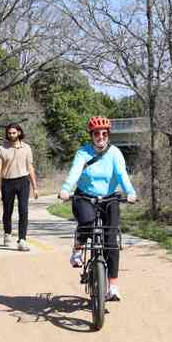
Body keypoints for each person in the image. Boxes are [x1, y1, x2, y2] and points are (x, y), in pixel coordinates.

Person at [59, 116, 137, 301]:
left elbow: (121, 174)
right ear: (91, 135)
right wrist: (65, 190)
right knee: (87, 221)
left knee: (111, 241)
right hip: (84, 195)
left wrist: (130, 192)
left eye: (104, 133)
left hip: (109, 198)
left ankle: (113, 286)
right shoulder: (83, 153)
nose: (100, 137)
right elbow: (75, 172)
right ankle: (78, 250)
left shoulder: (115, 153)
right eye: (96, 133)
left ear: (108, 135)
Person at [0, 123, 39, 252]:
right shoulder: (2, 149)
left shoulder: (27, 148)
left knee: (23, 210)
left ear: (19, 132)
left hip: (23, 181)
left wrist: (35, 187)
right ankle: (7, 232)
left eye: (14, 132)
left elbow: (30, 167)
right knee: (7, 211)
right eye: (9, 133)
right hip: (8, 182)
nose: (12, 135)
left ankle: (22, 239)